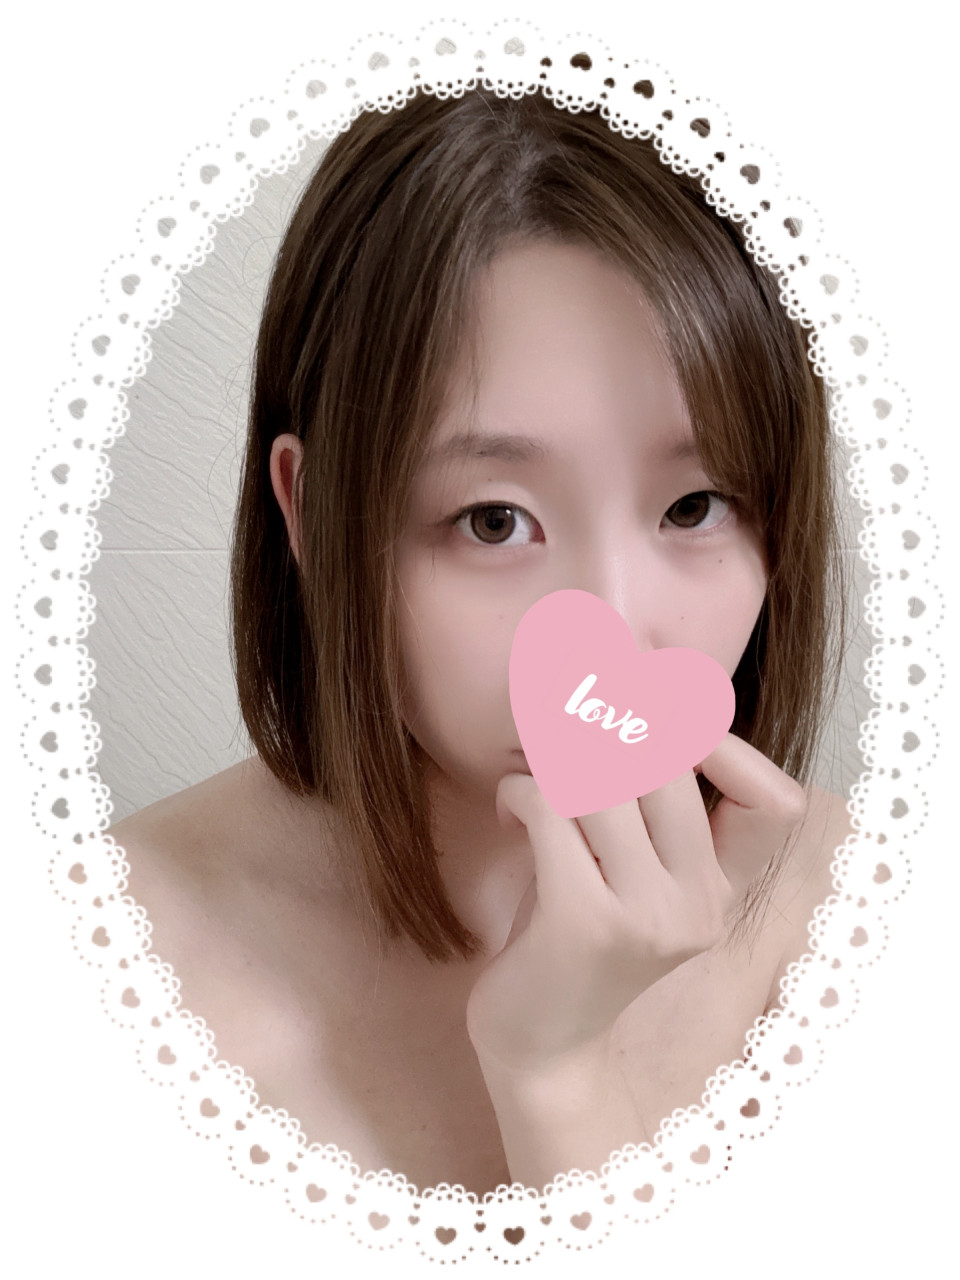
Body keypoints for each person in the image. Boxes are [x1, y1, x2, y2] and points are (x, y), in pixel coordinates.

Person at [111, 87, 852, 1197]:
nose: (613, 629)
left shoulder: (882, 926)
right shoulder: (97, 971)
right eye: (494, 520)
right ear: (311, 512)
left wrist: (558, 1077)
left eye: (694, 506)